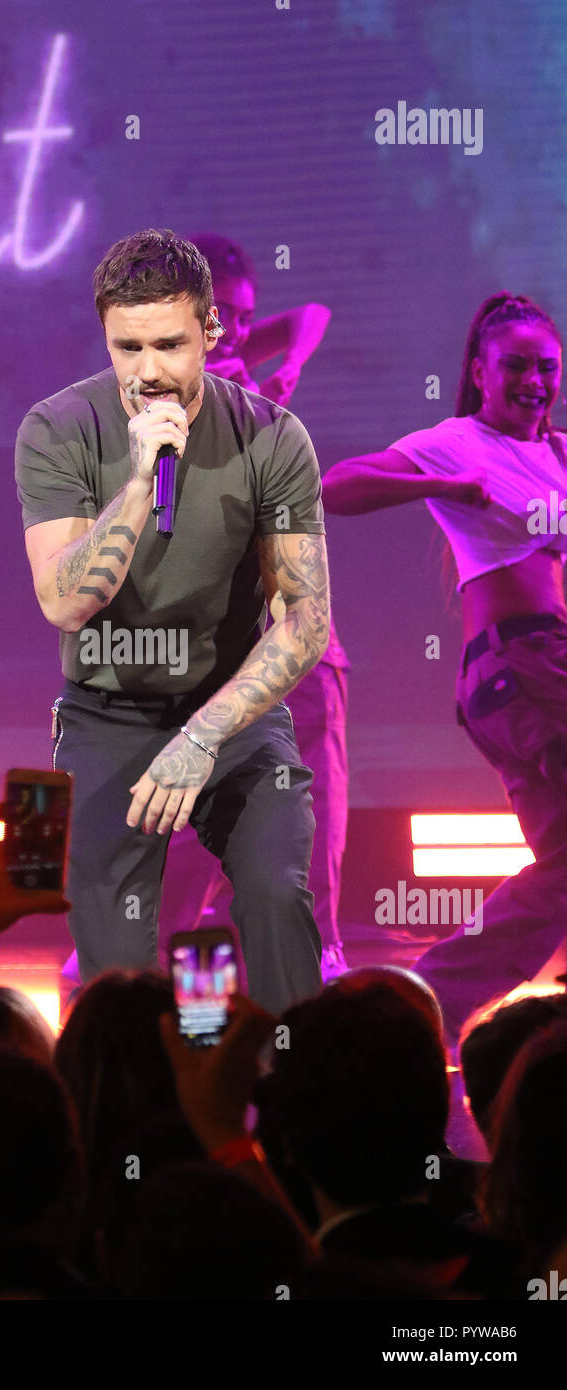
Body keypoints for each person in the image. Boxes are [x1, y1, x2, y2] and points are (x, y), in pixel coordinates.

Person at [16, 227, 331, 1019]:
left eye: (169, 344)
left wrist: (202, 738)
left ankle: (304, 1105)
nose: (149, 371)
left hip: (231, 715)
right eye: (128, 348)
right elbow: (64, 602)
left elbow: (305, 622)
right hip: (106, 716)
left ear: (211, 333)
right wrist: (133, 483)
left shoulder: (272, 437)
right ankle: (133, 1129)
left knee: (274, 892)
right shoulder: (57, 430)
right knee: (117, 976)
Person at [321, 292, 567, 1047]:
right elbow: (336, 486)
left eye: (548, 367)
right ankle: (425, 995)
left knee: (563, 867)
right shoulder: (458, 441)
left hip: (531, 669)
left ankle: (418, 1006)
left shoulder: (554, 452)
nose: (535, 380)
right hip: (522, 664)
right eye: (517, 365)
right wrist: (441, 485)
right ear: (480, 372)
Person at [186, 233, 350, 977]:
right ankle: (137, 935)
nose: (244, 328)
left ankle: (320, 941)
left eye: (248, 314)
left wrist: (283, 367)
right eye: (227, 314)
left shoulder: (240, 356)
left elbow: (310, 313)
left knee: (310, 780)